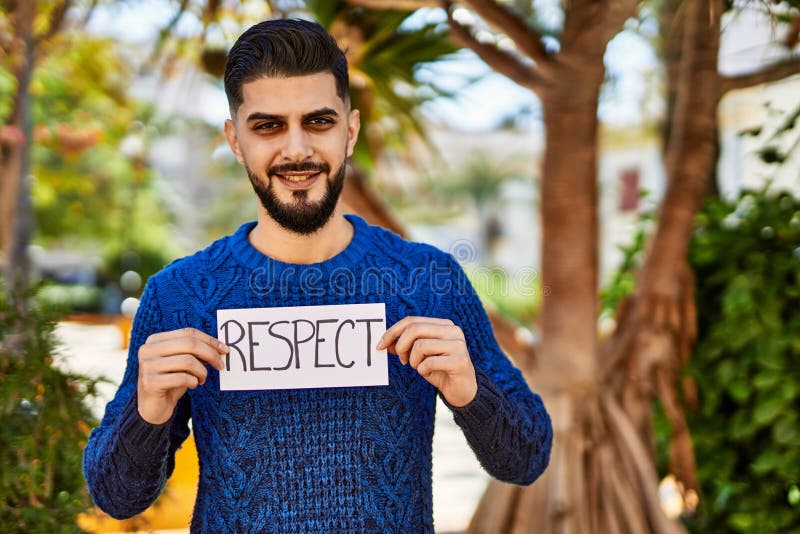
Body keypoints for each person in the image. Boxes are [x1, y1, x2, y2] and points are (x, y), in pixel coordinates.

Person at [83, 18, 552, 533]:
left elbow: (527, 458)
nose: (297, 149)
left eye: (319, 121)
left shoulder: (427, 280)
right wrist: (146, 411)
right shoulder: (178, 295)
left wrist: (472, 391)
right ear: (235, 140)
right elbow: (116, 497)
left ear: (350, 131)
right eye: (268, 126)